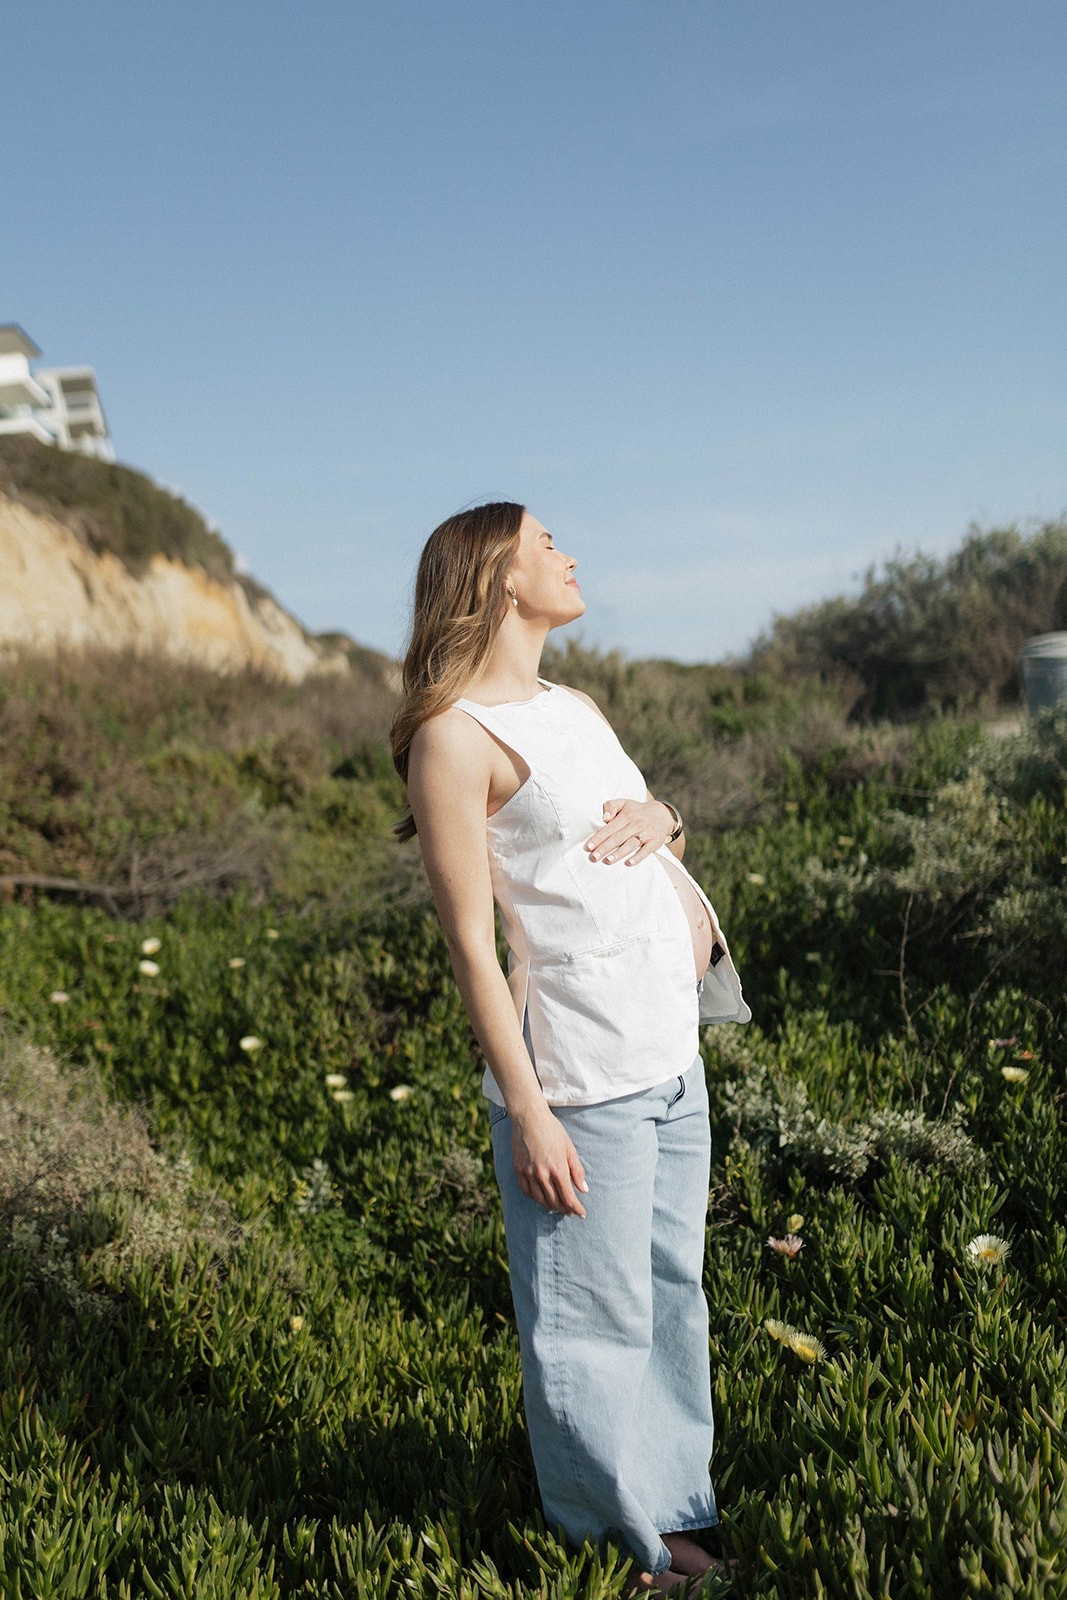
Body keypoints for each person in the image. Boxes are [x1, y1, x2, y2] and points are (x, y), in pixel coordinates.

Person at [391, 502, 750, 1595]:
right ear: (499, 577)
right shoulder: (451, 737)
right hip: (579, 1078)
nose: (570, 554)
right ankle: (618, 1553)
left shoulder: (572, 704)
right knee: (590, 1326)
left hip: (665, 1056)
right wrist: (529, 1108)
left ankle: (675, 1511)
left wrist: (667, 815)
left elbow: (637, 822)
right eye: (547, 543)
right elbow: (467, 944)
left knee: (666, 1295)